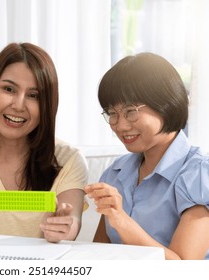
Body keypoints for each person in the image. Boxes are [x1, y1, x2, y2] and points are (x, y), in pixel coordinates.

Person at [0, 42, 88, 243]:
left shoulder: (69, 159)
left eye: (33, 95)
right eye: (9, 89)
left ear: (47, 104)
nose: (18, 105)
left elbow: (72, 221)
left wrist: (65, 228)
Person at [84, 52, 209, 260]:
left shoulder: (199, 174)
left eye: (130, 111)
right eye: (112, 113)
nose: (120, 125)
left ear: (166, 104)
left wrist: (121, 220)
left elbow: (184, 269)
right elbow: (99, 256)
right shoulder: (116, 173)